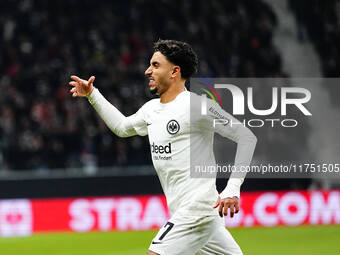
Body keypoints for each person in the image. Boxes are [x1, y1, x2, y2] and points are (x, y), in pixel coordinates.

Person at [69, 39, 257, 255]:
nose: (148, 71)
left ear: (174, 71)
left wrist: (232, 189)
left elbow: (246, 137)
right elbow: (122, 127)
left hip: (198, 209)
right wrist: (92, 95)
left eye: (156, 65)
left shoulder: (197, 105)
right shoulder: (151, 110)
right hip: (195, 213)